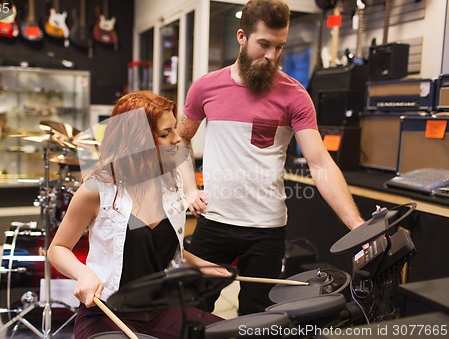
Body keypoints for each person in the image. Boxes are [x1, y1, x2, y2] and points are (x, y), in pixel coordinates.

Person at [178, 0, 365, 316]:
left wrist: (358, 226)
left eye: (279, 47)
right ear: (242, 37)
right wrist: (188, 189)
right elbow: (181, 137)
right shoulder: (206, 87)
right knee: (192, 312)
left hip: (267, 229)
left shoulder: (295, 95)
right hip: (214, 221)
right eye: (263, 44)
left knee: (258, 318)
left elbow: (320, 164)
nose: (271, 56)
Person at [47, 91, 229, 339]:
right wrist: (83, 273)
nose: (178, 139)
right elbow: (57, 248)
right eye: (166, 133)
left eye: (174, 130)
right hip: (107, 312)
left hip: (161, 308)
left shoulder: (170, 183)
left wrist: (200, 264)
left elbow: (154, 247)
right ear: (138, 141)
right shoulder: (96, 190)